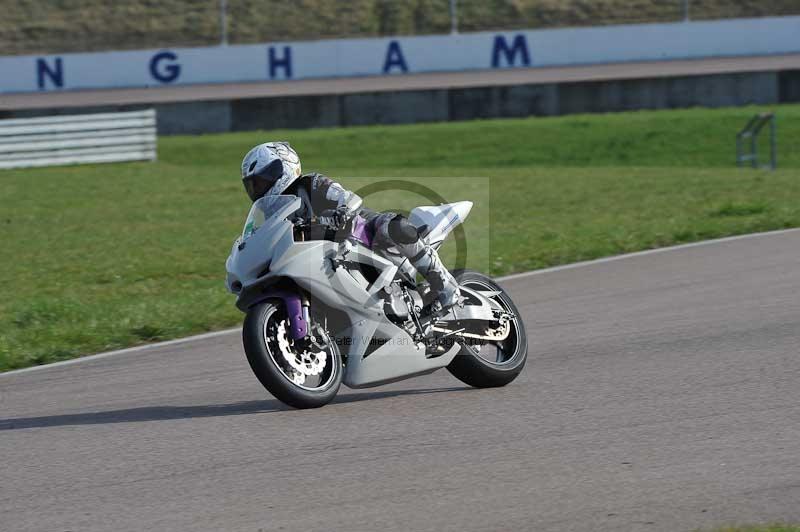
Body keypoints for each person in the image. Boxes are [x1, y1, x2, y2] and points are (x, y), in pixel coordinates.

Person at [240, 141, 461, 312]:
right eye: (252, 184)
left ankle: (446, 286)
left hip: (362, 238)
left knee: (392, 226)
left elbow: (348, 198)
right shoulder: (271, 212)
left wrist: (341, 211)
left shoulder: (311, 184)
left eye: (261, 180)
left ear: (283, 168)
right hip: (325, 261)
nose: (257, 188)